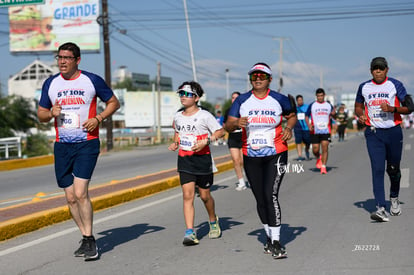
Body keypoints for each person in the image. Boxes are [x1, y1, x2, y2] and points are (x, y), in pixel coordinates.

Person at [37, 42, 120, 260]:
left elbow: (113, 102)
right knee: (70, 198)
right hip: (62, 145)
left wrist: (98, 118)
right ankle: (85, 237)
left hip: (86, 143)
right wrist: (50, 113)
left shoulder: (91, 80)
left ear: (77, 60)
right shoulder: (51, 83)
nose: (62, 61)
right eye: (59, 57)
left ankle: (91, 240)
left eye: (67, 58)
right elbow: (41, 114)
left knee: (81, 192)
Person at [225, 62, 297, 259]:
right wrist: (235, 123)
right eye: (254, 76)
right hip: (251, 155)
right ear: (251, 79)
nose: (258, 79)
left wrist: (289, 128)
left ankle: (276, 242)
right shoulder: (241, 100)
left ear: (269, 79)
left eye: (262, 76)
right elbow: (228, 125)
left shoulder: (279, 99)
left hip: (277, 152)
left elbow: (292, 116)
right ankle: (268, 236)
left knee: (270, 194)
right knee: (260, 198)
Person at [354, 57, 413, 222]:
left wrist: (392, 108)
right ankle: (381, 208)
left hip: (393, 132)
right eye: (375, 69)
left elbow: (410, 107)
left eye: (381, 68)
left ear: (387, 70)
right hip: (374, 133)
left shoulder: (395, 85)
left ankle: (394, 198)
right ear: (371, 71)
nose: (378, 71)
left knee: (393, 169)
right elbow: (358, 106)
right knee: (377, 169)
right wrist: (360, 115)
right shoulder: (364, 87)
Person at [168, 81, 224, 246]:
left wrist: (206, 141)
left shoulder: (205, 115)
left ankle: (213, 221)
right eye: (181, 94)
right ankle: (190, 232)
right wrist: (175, 143)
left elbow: (220, 132)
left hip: (202, 160)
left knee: (205, 196)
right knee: (187, 195)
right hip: (185, 160)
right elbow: (177, 133)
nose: (183, 97)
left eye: (187, 94)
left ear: (197, 97)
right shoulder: (178, 116)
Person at [306, 88, 336, 174]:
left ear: (324, 95)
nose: (320, 97)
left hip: (325, 130)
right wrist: (309, 126)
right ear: (316, 96)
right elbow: (306, 116)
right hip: (315, 130)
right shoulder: (312, 105)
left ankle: (323, 166)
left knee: (325, 147)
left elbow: (334, 116)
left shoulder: (328, 105)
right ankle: (319, 157)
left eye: (321, 96)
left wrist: (334, 115)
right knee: (315, 149)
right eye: (318, 96)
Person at [223, 91, 247, 191]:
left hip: (243, 136)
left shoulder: (244, 110)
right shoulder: (228, 111)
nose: (234, 99)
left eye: (236, 97)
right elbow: (225, 124)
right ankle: (241, 182)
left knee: (243, 161)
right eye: (233, 98)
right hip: (233, 137)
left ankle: (250, 178)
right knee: (235, 160)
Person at [294, 95, 311, 161]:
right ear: (297, 101)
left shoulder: (307, 107)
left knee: (308, 142)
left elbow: (310, 116)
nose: (300, 101)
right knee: (298, 142)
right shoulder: (295, 109)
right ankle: (300, 155)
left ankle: (307, 150)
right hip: (297, 127)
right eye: (298, 100)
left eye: (301, 100)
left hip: (306, 128)